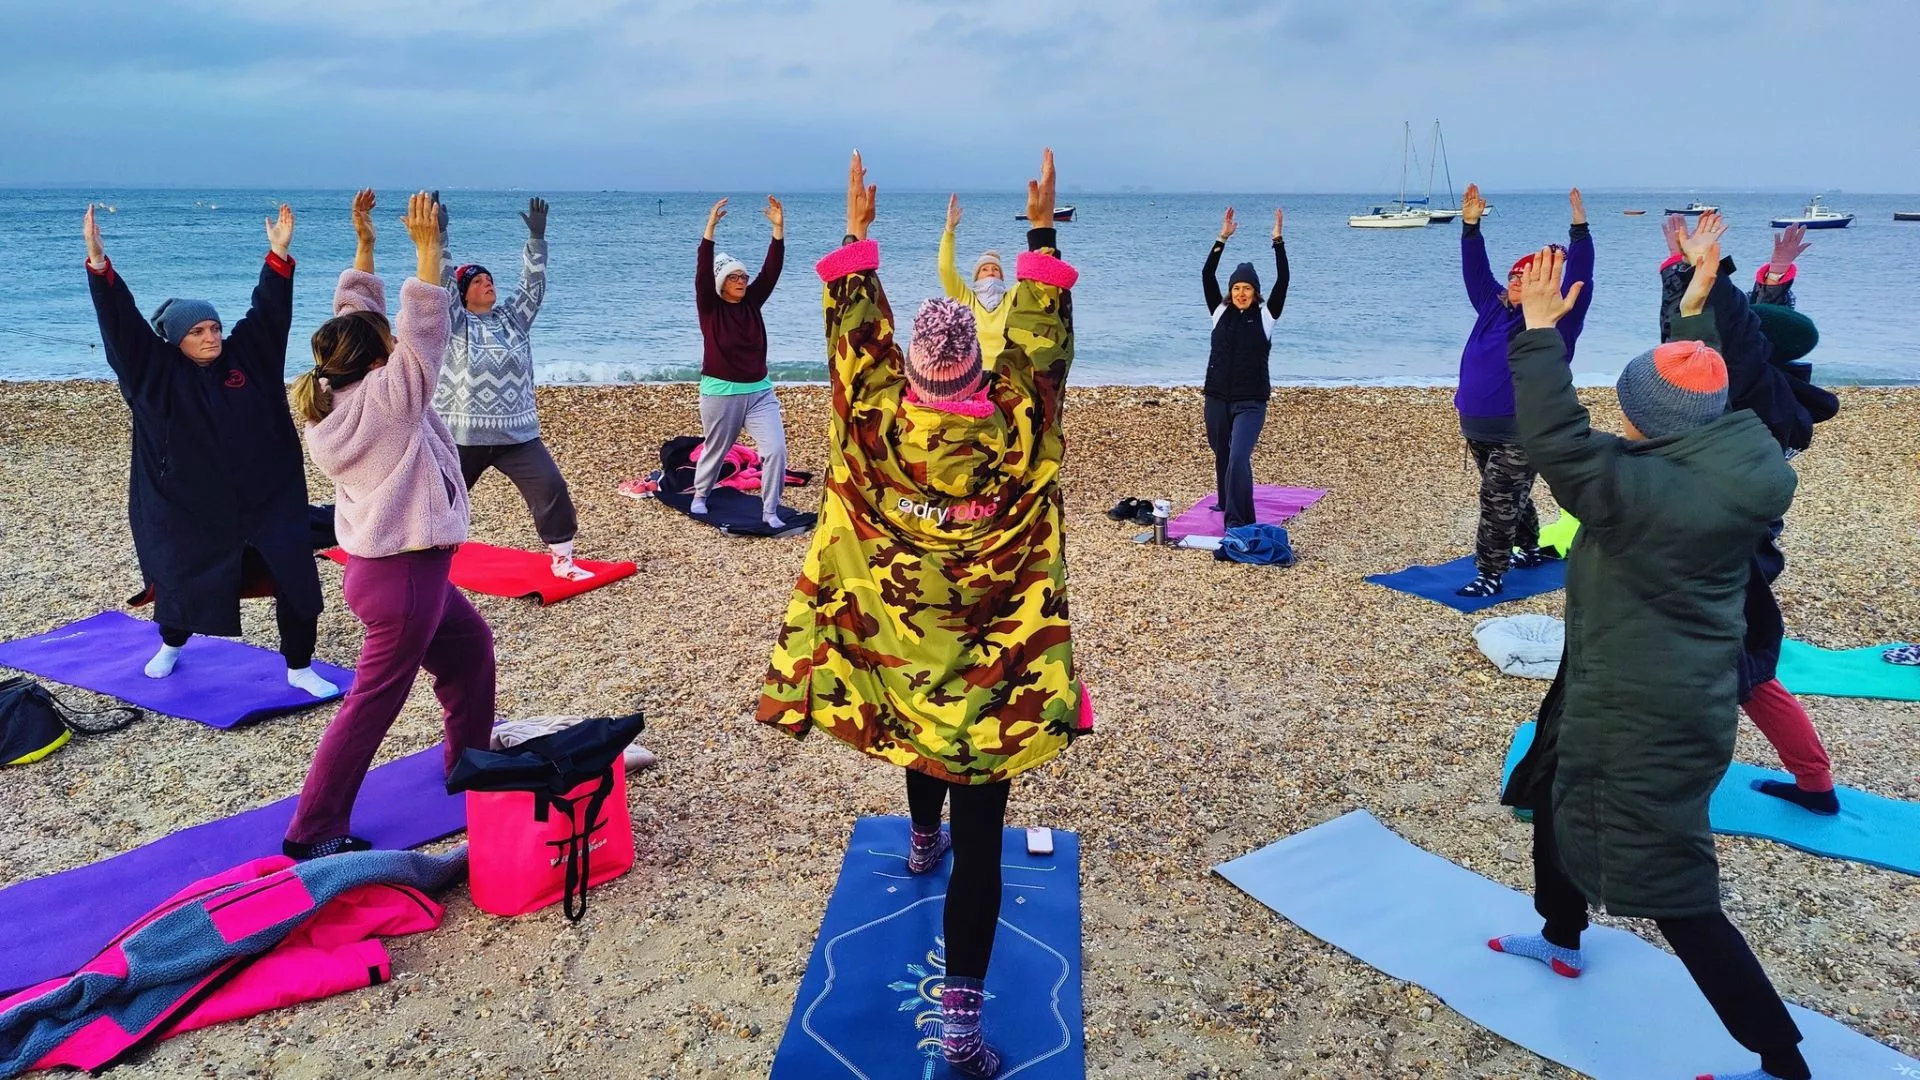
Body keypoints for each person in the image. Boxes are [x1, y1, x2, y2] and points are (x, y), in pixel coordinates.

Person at [759, 149, 1085, 1079]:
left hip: (901, 658)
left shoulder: (867, 421)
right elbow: (1044, 342)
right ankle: (961, 1030)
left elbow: (852, 344)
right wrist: (1037, 235)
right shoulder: (1023, 421)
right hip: (995, 679)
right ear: (983, 368)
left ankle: (918, 836)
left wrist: (858, 239)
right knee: (983, 844)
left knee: (914, 731)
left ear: (909, 371)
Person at [1495, 236, 1811, 1080]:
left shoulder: (1634, 490)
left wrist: (1535, 330)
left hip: (1649, 706)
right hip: (1613, 675)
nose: (1620, 413)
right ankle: (1562, 939)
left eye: (1629, 402)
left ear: (1642, 420)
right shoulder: (1735, 452)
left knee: (1676, 893)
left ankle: (1782, 1062)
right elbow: (1703, 375)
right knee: (1555, 794)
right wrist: (1696, 296)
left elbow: (1555, 435)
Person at [282, 191, 497, 860]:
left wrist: (367, 246)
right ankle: (312, 831)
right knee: (371, 703)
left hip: (387, 569)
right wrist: (429, 250)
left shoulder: (335, 393)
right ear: (378, 358)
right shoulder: (391, 402)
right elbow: (425, 324)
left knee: (469, 651)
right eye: (388, 344)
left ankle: (469, 763)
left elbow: (359, 314)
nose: (396, 343)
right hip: (404, 577)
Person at [82, 203, 334, 697]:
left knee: (294, 574)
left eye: (214, 328)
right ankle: (172, 643)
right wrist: (99, 266)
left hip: (267, 497)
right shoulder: (152, 376)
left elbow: (267, 315)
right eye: (197, 332)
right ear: (176, 340)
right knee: (183, 579)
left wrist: (278, 255)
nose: (211, 336)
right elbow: (122, 328)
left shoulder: (246, 361)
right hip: (188, 503)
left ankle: (300, 666)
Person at [1657, 213, 1842, 814]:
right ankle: (1814, 782)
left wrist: (1703, 269)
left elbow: (1731, 333)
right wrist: (1774, 276)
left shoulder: (1751, 388)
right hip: (1746, 540)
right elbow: (1756, 333)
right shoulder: (1782, 392)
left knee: (1732, 672)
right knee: (1748, 671)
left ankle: (1672, 778)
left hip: (1721, 546)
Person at [425, 192, 589, 581]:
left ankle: (563, 559)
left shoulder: (514, 319)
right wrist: (439, 237)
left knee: (551, 488)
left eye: (490, 280)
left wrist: (536, 240)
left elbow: (533, 285)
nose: (487, 285)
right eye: (478, 281)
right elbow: (443, 282)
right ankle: (423, 563)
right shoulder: (455, 322)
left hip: (518, 434)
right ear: (464, 293)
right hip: (461, 435)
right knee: (442, 500)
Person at [1451, 184, 1595, 598]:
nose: (1517, 280)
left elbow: (1581, 280)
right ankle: (1529, 547)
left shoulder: (1554, 321)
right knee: (1511, 494)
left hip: (1521, 429)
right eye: (1514, 274)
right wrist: (1471, 226)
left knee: (1496, 498)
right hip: (1477, 425)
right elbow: (1474, 271)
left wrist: (1580, 234)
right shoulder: (1493, 306)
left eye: (1526, 276)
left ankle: (1489, 573)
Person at [693, 194, 789, 530]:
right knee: (716, 450)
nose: (742, 281)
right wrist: (710, 229)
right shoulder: (710, 308)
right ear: (721, 285)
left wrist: (778, 230)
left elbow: (772, 271)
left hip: (760, 391)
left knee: (776, 449)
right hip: (721, 392)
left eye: (744, 277)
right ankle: (701, 495)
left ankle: (770, 510)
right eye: (734, 278)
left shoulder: (752, 303)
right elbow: (703, 272)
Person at [1199, 205, 1290, 528]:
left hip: (1250, 401)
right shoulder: (1219, 312)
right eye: (1236, 288)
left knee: (1238, 457)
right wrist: (1221, 238)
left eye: (1247, 288)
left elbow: (1284, 280)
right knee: (1220, 452)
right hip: (1216, 397)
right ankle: (1224, 499)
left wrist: (1277, 241)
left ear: (1255, 293)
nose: (1240, 293)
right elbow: (1207, 274)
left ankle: (1239, 521)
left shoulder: (1266, 317)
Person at [940, 193, 1012, 359]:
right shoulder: (966, 299)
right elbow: (945, 269)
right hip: (973, 377)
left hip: (1006, 377)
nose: (991, 272)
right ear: (976, 278)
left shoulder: (1011, 299)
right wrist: (949, 230)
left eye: (995, 269)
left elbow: (1033, 280)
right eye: (984, 269)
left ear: (1002, 277)